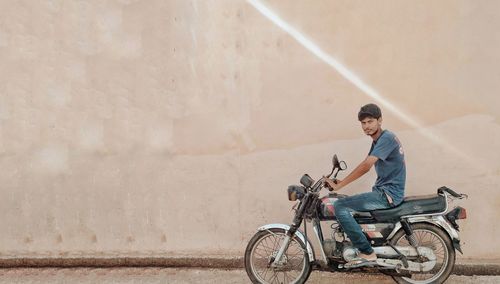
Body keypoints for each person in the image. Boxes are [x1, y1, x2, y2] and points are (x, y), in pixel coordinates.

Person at [324, 103, 406, 268]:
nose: (367, 126)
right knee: (349, 206)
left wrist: (341, 186)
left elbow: (366, 166)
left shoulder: (386, 138)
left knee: (340, 206)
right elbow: (365, 163)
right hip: (384, 191)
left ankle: (367, 252)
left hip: (387, 195)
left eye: (370, 121)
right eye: (363, 123)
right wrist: (339, 181)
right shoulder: (378, 140)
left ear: (380, 120)